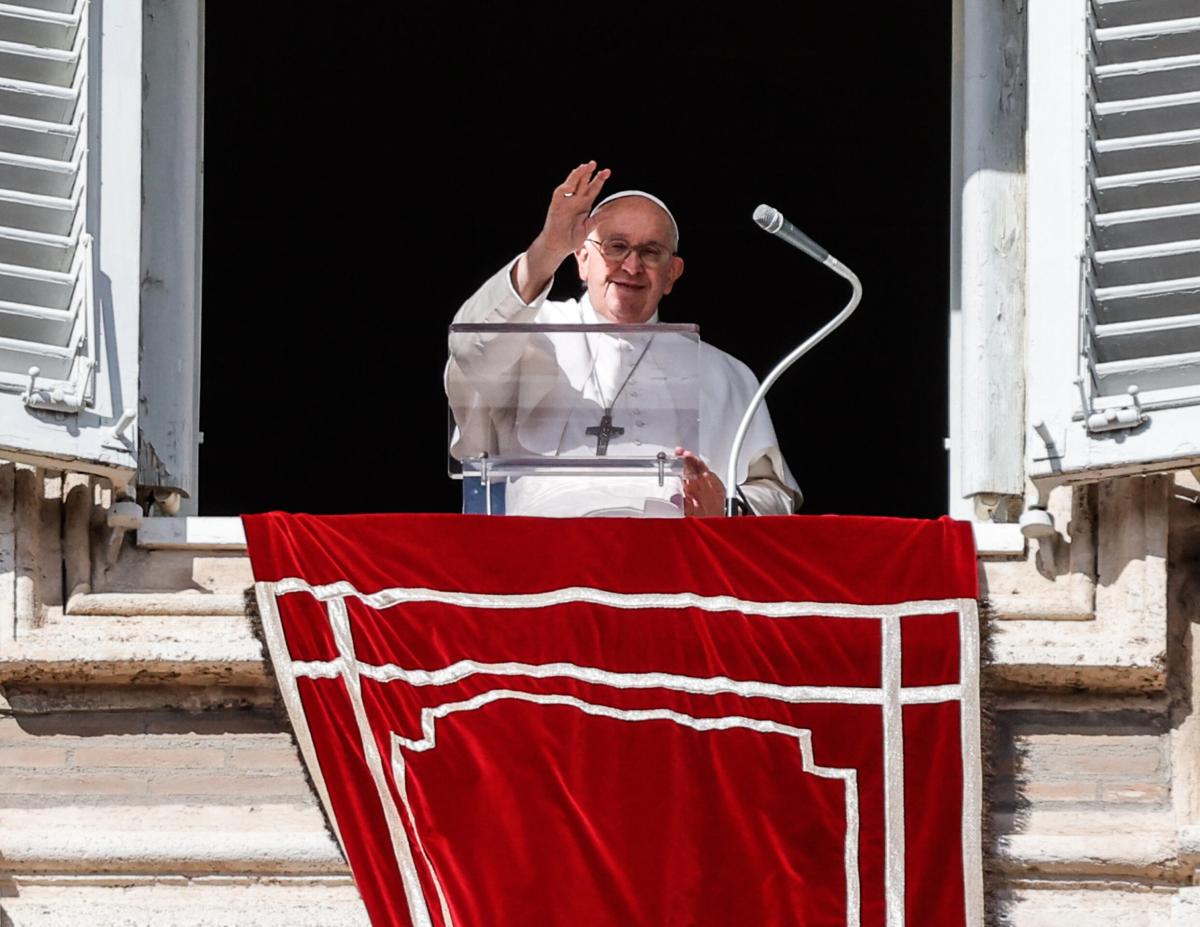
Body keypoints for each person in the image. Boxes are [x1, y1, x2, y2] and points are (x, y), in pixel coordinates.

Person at [447, 161, 800, 517]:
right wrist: (547, 250)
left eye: (650, 252)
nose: (631, 267)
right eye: (616, 247)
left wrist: (728, 507)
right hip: (548, 555)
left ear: (672, 274)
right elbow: (469, 347)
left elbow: (775, 496)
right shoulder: (531, 332)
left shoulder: (725, 373)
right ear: (582, 258)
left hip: (670, 559)